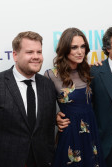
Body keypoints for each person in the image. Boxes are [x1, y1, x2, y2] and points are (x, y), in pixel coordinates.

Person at [57, 25, 112, 167]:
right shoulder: (94, 72)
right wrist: (57, 116)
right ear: (108, 48)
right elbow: (81, 100)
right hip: (105, 145)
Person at [0, 31, 56, 167]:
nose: (36, 57)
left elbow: (48, 131)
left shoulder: (48, 85)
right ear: (15, 55)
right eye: (30, 52)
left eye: (39, 52)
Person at [44, 28, 105, 167]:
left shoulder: (90, 71)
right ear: (65, 49)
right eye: (74, 47)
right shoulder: (51, 76)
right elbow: (43, 110)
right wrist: (56, 118)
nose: (80, 51)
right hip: (69, 133)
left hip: (91, 132)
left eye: (83, 46)